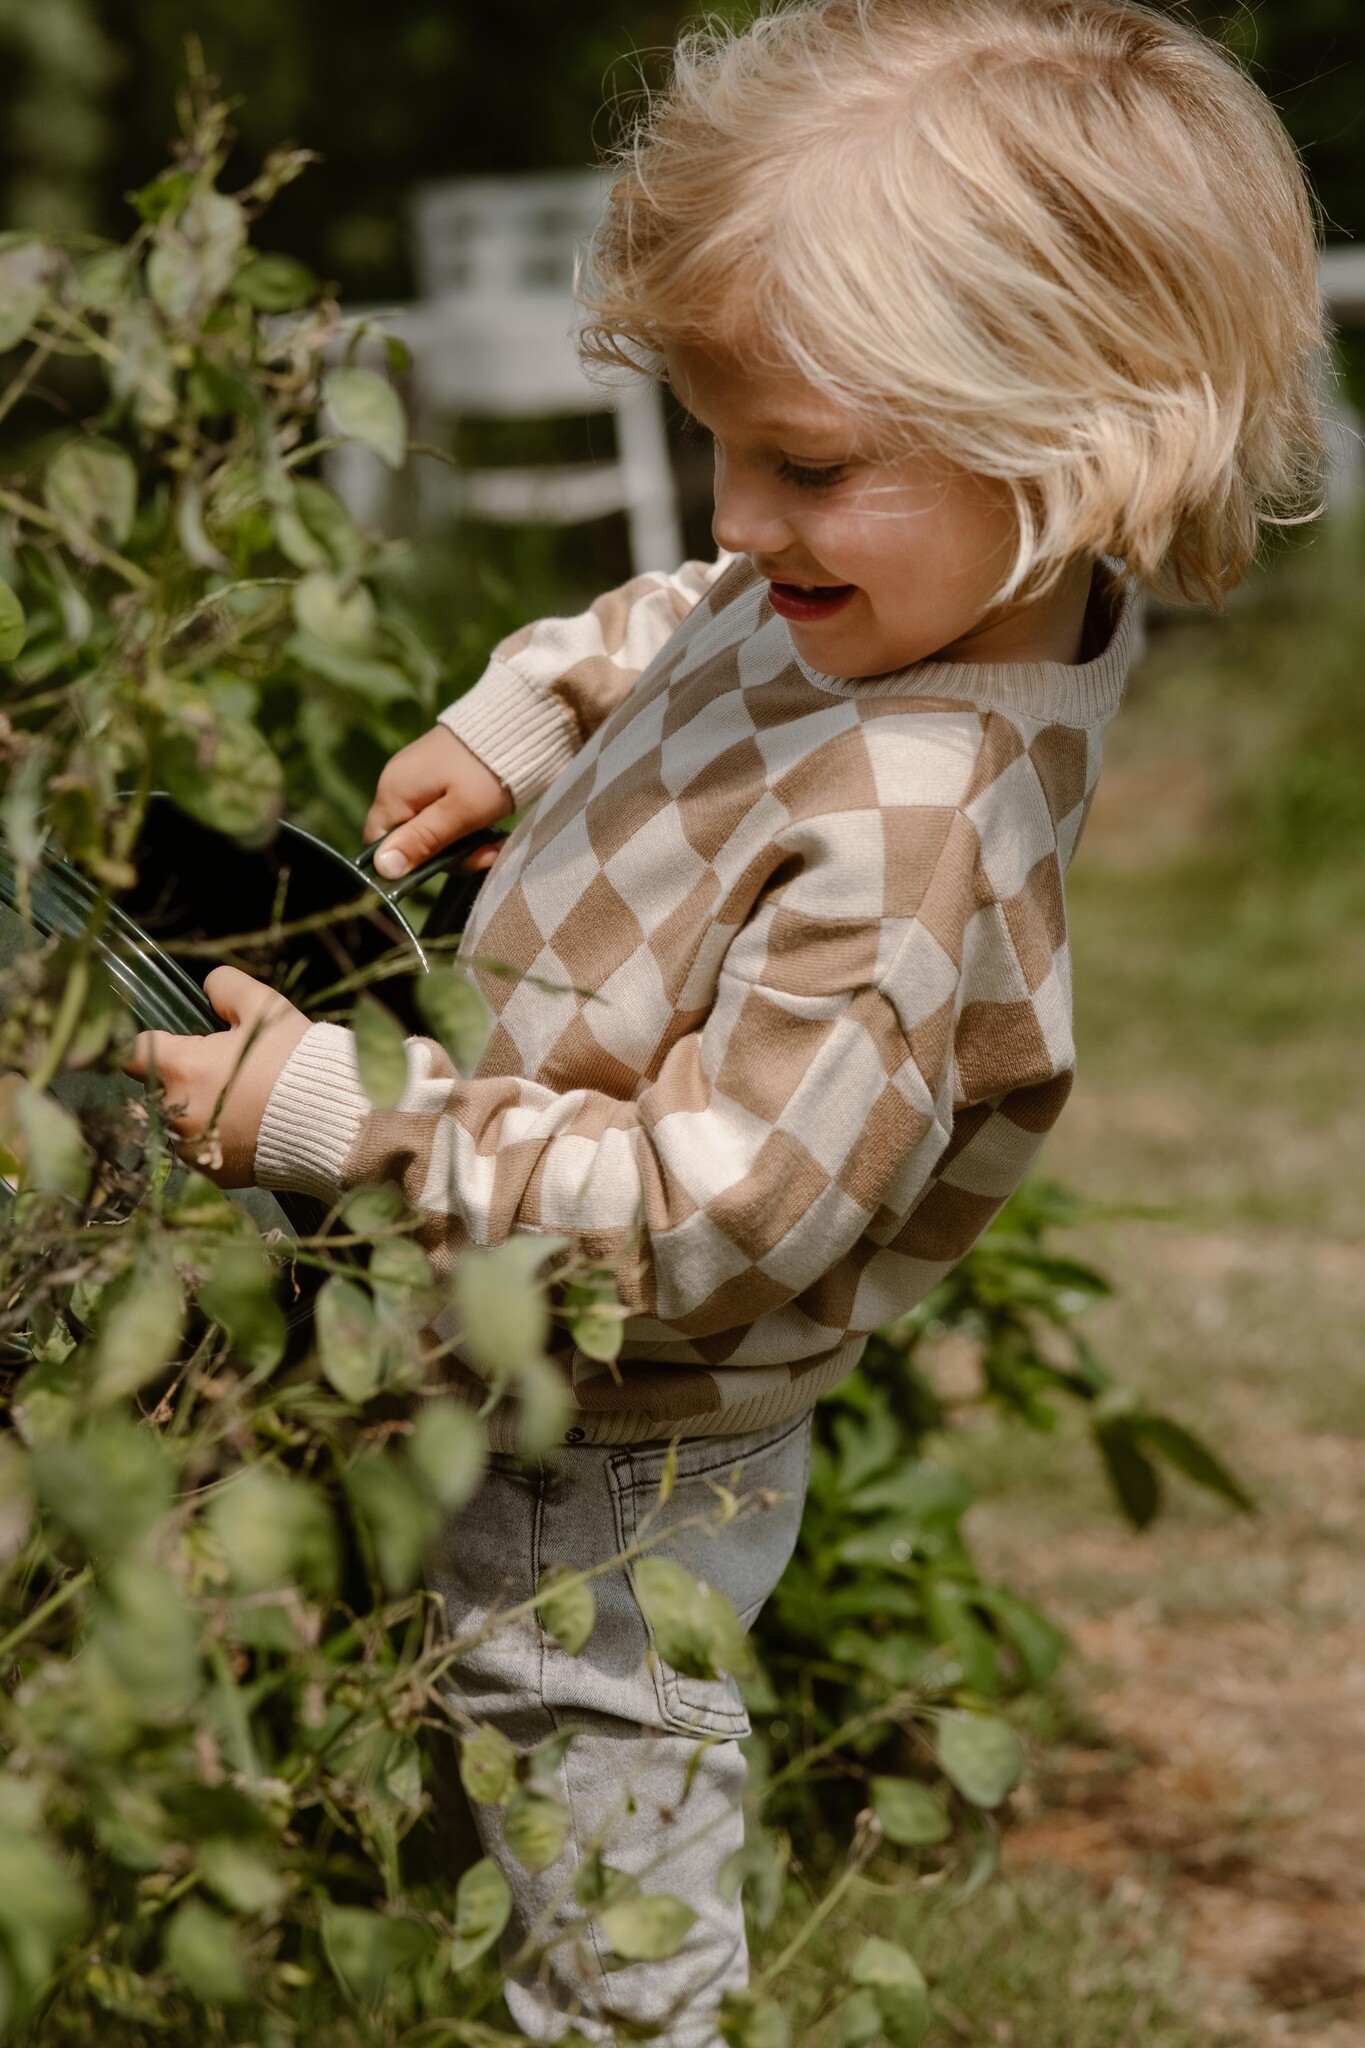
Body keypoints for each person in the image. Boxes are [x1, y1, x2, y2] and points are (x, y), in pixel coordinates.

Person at [126, 0, 1325, 2038]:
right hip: (514, 1317)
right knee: (454, 1740)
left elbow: (716, 1210)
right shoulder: (881, 588)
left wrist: (340, 1113)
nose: (741, 512)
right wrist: (523, 713)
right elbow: (679, 615)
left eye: (804, 461)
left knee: (598, 1829)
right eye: (722, 440)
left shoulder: (913, 841)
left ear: (1078, 441)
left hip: (617, 1430)